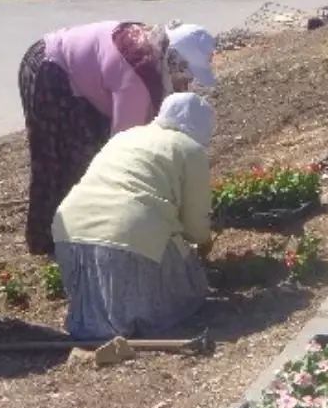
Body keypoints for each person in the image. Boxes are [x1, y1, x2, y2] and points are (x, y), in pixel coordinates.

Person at [18, 21, 217, 256]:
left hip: (80, 73)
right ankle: (53, 242)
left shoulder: (152, 50)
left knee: (89, 159)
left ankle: (82, 233)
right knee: (62, 164)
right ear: (173, 62)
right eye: (186, 75)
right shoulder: (137, 81)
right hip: (51, 70)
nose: (188, 84)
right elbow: (123, 150)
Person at [51, 92, 215, 340]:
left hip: (68, 231)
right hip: (130, 232)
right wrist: (202, 242)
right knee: (190, 286)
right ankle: (135, 318)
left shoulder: (126, 136)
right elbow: (195, 224)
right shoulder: (190, 149)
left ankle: (99, 322)